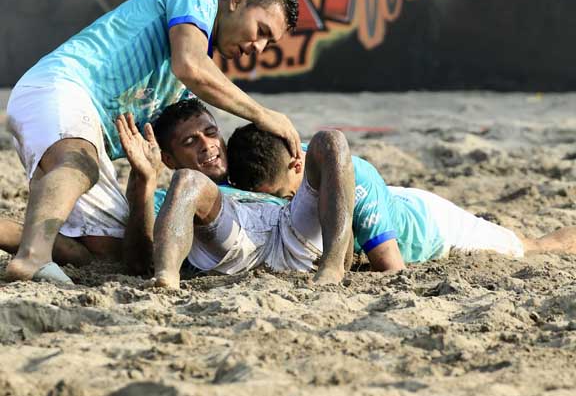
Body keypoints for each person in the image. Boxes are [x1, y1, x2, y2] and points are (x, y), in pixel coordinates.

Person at [5, 0, 301, 283]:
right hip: (61, 85)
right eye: (261, 30)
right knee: (79, 164)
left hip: (85, 131)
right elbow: (190, 65)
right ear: (237, 1)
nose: (259, 48)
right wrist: (261, 114)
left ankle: (12, 237)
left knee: (110, 249)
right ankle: (32, 257)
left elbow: (162, 155)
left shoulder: (180, 90)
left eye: (269, 42)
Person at [226, 124, 576, 271]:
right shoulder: (280, 159)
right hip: (393, 199)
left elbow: (393, 270)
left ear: (297, 164)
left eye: (287, 193)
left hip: (433, 227)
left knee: (531, 247)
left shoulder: (357, 180)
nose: (289, 202)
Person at [116, 113, 355, 289]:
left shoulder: (248, 174)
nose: (207, 145)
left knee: (331, 139)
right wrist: (145, 181)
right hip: (235, 237)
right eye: (190, 142)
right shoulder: (173, 195)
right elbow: (138, 261)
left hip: (290, 226)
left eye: (211, 133)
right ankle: (166, 278)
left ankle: (332, 267)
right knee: (187, 179)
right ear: (169, 159)